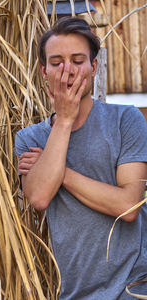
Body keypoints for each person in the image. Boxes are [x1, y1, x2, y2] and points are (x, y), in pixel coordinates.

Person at [15, 16, 147, 299]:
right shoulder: (29, 139)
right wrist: (63, 119)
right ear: (43, 71)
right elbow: (38, 197)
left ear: (94, 67)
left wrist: (57, 172)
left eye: (78, 60)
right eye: (56, 62)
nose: (68, 71)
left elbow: (129, 205)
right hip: (76, 291)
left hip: (134, 287)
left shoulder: (126, 120)